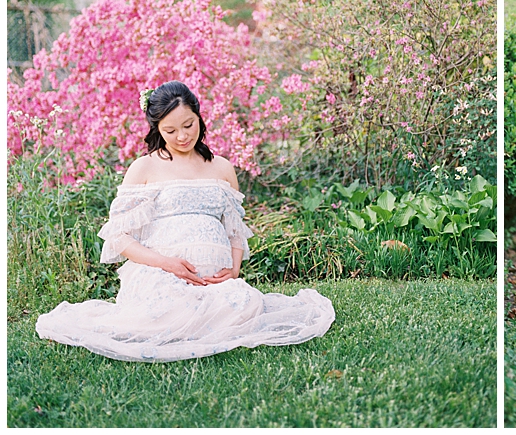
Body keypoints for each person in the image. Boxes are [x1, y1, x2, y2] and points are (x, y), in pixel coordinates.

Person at [36, 81, 335, 362]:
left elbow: (234, 229)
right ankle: (186, 315)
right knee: (162, 315)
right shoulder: (145, 167)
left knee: (248, 305)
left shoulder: (221, 167)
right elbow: (120, 238)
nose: (182, 136)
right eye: (170, 130)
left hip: (214, 281)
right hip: (161, 273)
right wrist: (167, 263)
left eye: (188, 125)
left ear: (199, 117)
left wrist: (233, 270)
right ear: (157, 129)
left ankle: (211, 311)